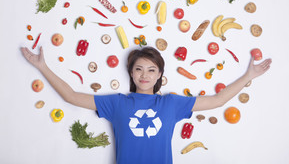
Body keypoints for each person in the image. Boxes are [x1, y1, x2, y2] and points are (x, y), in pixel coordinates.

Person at [21, 46, 271, 164]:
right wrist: (42, 66)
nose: (144, 75)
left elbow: (218, 100)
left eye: (152, 70)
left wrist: (248, 76)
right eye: (138, 69)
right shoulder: (117, 103)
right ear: (130, 73)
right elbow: (71, 96)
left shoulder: (172, 103)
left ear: (160, 74)